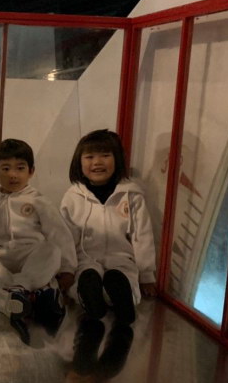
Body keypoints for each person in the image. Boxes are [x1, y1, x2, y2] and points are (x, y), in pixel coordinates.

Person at [0, 139, 77, 343]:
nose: (13, 174)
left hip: (29, 254)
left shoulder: (39, 201)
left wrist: (68, 269)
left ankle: (14, 292)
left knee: (51, 250)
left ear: (31, 171)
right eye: (5, 168)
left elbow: (59, 234)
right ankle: (28, 292)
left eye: (20, 168)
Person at [60, 129, 156, 325]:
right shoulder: (72, 197)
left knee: (126, 279)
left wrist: (146, 274)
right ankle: (91, 299)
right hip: (85, 258)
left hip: (121, 258)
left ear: (117, 160)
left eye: (105, 155)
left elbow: (142, 235)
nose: (97, 162)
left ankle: (121, 300)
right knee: (84, 278)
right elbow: (65, 237)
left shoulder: (132, 195)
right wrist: (66, 269)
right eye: (90, 157)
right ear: (79, 163)